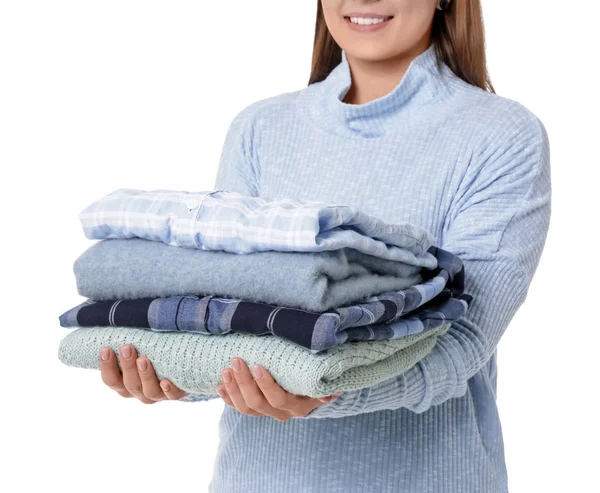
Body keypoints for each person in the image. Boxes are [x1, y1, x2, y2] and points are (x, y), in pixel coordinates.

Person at [97, 0, 552, 491]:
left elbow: (461, 344)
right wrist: (173, 370)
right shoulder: (261, 129)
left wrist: (324, 389)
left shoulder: (500, 136)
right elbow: (223, 315)